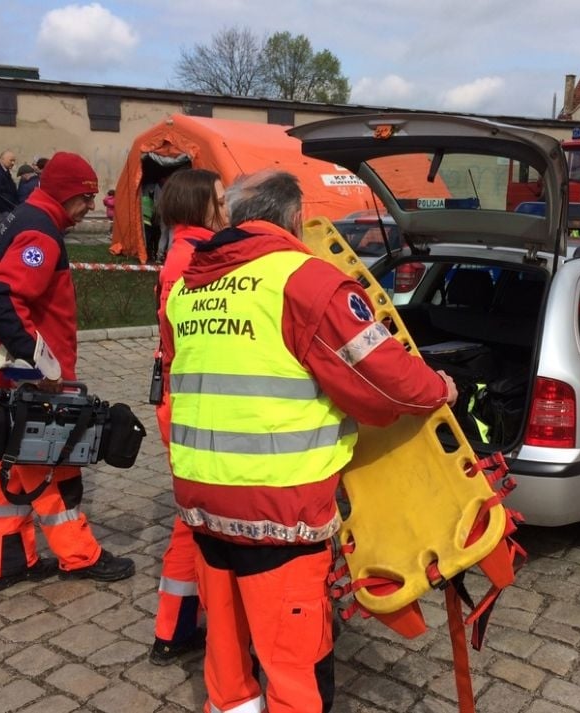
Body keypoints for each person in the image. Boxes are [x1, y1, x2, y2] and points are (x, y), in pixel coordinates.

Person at [160, 170, 457, 712]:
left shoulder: (188, 287)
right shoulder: (306, 281)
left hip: (201, 501)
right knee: (296, 666)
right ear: (296, 219)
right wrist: (441, 388)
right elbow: (381, 378)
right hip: (280, 512)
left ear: (233, 218)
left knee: (228, 662)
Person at [0, 151, 136, 591]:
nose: (89, 209)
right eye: (85, 198)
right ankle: (79, 556)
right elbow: (0, 299)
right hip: (29, 379)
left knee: (11, 470)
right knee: (52, 466)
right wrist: (39, 364)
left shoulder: (26, 218)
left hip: (1, 374)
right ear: (66, 194)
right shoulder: (41, 233)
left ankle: (9, 561)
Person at [148, 169, 229, 666]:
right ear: (200, 205)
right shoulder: (196, 260)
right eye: (220, 200)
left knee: (191, 520)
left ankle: (174, 627)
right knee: (197, 522)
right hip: (192, 403)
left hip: (180, 400)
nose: (227, 208)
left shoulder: (181, 251)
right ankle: (178, 628)